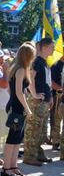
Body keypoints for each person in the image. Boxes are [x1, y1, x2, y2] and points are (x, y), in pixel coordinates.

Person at [2, 43, 41, 176]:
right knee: (12, 138)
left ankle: (13, 166)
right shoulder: (19, 70)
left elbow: (18, 89)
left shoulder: (20, 68)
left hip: (16, 106)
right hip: (17, 107)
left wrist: (34, 96)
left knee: (18, 139)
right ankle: (6, 168)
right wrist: (27, 109)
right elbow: (19, 92)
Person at [24, 37, 55, 166]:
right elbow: (30, 77)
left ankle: (38, 153)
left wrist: (51, 97)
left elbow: (47, 81)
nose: (54, 49)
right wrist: (34, 94)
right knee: (33, 129)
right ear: (45, 47)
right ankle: (29, 156)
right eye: (52, 46)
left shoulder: (44, 62)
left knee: (41, 130)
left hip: (44, 101)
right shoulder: (36, 61)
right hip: (37, 102)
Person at [51, 57, 64, 151]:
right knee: (56, 119)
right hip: (58, 95)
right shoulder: (56, 65)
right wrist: (61, 89)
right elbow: (51, 81)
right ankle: (55, 142)